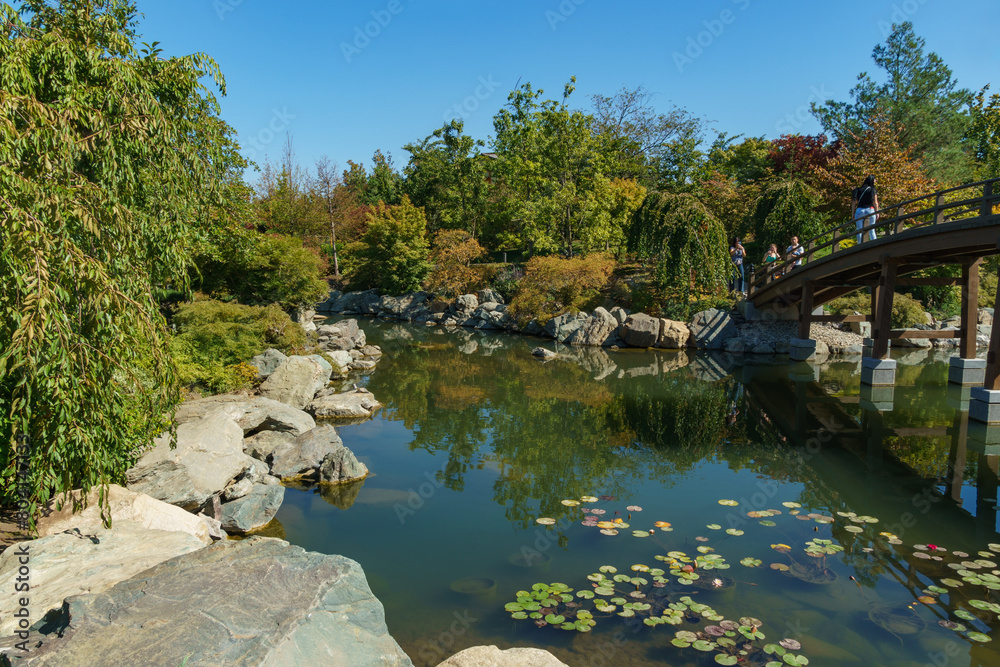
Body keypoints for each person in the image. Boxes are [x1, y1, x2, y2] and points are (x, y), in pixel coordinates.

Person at [852, 175, 879, 244]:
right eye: (875, 180)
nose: (875, 182)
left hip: (859, 210)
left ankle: (860, 244)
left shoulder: (858, 190)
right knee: (871, 229)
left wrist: (853, 213)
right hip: (870, 209)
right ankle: (874, 244)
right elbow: (875, 202)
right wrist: (877, 212)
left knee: (859, 229)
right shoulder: (872, 189)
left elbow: (854, 202)